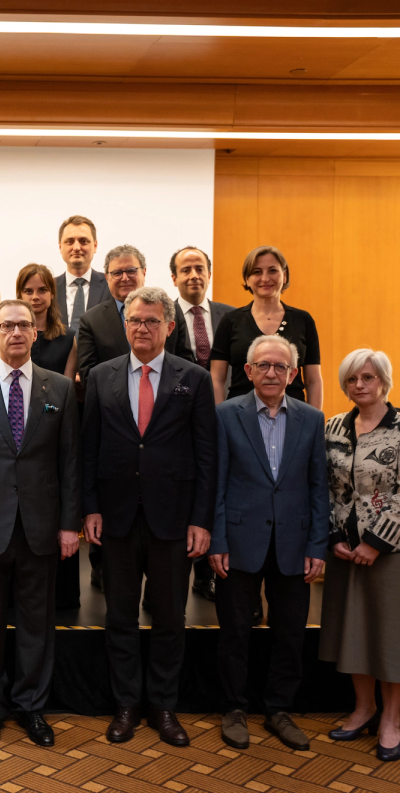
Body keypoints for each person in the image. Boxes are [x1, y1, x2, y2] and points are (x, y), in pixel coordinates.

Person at [82, 287, 216, 747]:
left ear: (170, 327)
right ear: (125, 325)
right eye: (136, 320)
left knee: (170, 618)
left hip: (173, 520)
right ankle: (126, 705)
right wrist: (90, 507)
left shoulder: (193, 378)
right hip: (116, 517)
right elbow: (89, 448)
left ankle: (162, 705)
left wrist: (201, 520)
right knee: (119, 616)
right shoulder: (100, 376)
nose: (142, 328)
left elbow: (206, 455)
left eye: (152, 321)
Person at [0, 299, 81, 748]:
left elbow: (70, 463)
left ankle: (31, 706)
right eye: (7, 326)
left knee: (37, 623)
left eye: (24, 325)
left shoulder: (58, 388)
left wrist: (70, 524)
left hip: (42, 526)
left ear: (36, 333)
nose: (17, 333)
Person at [208, 335, 329, 752]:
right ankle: (233, 708)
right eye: (263, 365)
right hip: (238, 541)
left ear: (293, 374)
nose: (272, 373)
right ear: (248, 371)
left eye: (281, 366)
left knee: (290, 634)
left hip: (295, 543)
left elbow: (318, 487)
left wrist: (317, 546)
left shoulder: (312, 419)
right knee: (235, 633)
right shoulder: (225, 414)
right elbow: (216, 483)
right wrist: (217, 539)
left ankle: (279, 709)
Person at [320, 348, 400, 763]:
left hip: (395, 549)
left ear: (384, 381)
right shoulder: (333, 426)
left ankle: (390, 719)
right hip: (346, 550)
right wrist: (334, 536)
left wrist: (376, 542)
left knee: (394, 636)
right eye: (352, 379)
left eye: (367, 377)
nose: (359, 385)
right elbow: (325, 487)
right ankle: (364, 708)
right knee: (356, 632)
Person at [76, 246, 196, 590]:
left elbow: (184, 363)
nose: (142, 328)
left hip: (169, 494)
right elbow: (90, 442)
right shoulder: (93, 323)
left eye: (132, 270)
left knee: (168, 606)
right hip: (117, 488)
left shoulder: (190, 371)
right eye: (117, 272)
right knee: (118, 605)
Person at [15, 264, 81, 610]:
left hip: (51, 432)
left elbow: (64, 394)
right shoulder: (9, 334)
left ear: (52, 294)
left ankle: (61, 597)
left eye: (41, 290)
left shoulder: (68, 338)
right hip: (15, 434)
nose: (35, 297)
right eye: (28, 291)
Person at [171, 246, 234, 603]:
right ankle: (182, 574)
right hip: (178, 422)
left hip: (223, 416)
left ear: (209, 274)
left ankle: (208, 573)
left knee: (217, 487)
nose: (194, 275)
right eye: (186, 269)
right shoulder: (163, 317)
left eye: (200, 268)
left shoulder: (230, 316)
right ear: (174, 278)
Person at [211, 246, 323, 409]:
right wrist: (221, 417)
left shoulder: (303, 320)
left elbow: (313, 380)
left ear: (284, 275)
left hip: (294, 415)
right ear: (247, 279)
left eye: (272, 271)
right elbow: (216, 378)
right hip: (240, 415)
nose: (265, 278)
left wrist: (315, 419)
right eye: (257, 272)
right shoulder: (230, 321)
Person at [54, 215, 111, 330]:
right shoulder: (48, 288)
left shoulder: (110, 284)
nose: (76, 247)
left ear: (95, 246)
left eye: (83, 241)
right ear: (60, 247)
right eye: (69, 242)